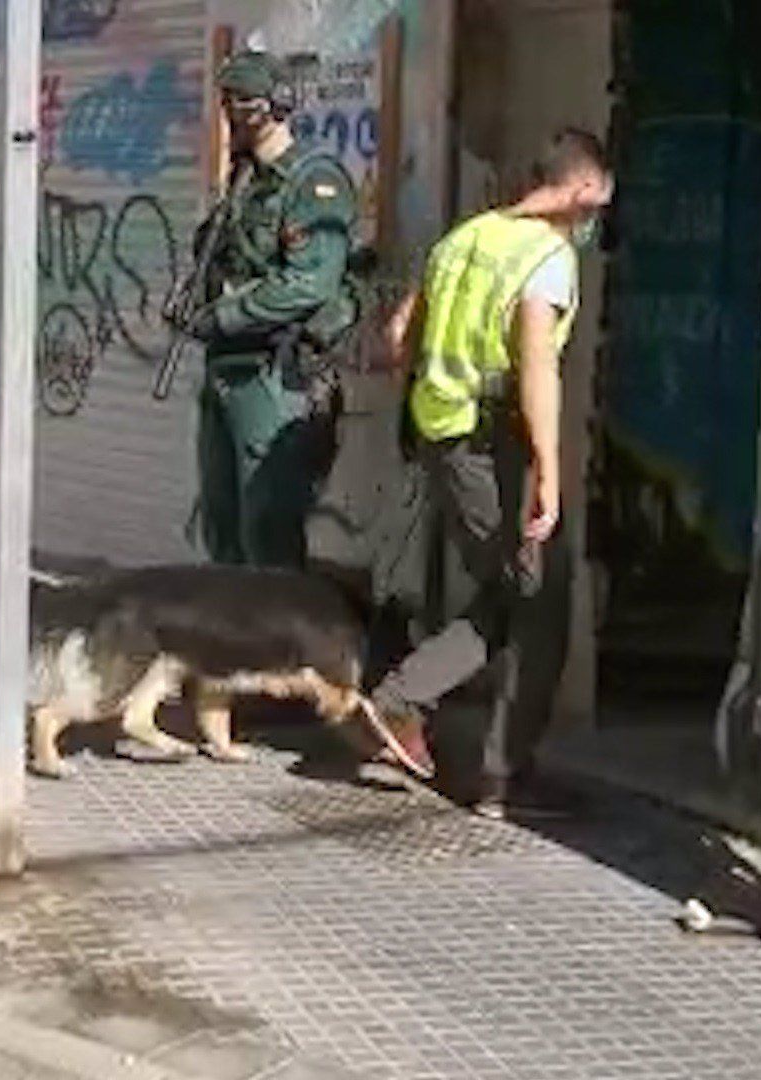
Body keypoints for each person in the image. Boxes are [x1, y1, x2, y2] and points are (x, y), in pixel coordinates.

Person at [354, 128, 615, 820]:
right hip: (496, 443)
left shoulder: (463, 238)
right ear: (582, 189)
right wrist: (551, 478)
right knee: (543, 606)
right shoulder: (548, 257)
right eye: (600, 208)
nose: (596, 225)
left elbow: (395, 340)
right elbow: (537, 368)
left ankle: (402, 705)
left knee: (512, 593)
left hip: (442, 436)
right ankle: (501, 777)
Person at [178, 50, 360, 569]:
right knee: (221, 524)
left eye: (245, 104)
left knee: (268, 527)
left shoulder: (312, 182)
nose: (234, 114)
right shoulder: (242, 181)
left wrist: (225, 314)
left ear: (275, 106)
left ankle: (275, 645)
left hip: (274, 374)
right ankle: (230, 641)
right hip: (226, 367)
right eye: (228, 102)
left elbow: (309, 283)